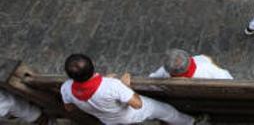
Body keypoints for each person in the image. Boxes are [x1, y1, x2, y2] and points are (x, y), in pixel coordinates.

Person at [61, 54, 197, 125]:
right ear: (92, 66)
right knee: (166, 111)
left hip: (109, 121)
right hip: (130, 115)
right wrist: (125, 87)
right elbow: (137, 104)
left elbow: (69, 108)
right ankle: (190, 122)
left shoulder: (66, 88)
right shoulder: (113, 86)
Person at [149, 49, 233, 79]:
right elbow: (228, 79)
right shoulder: (207, 68)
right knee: (206, 58)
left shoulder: (163, 72)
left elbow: (152, 77)